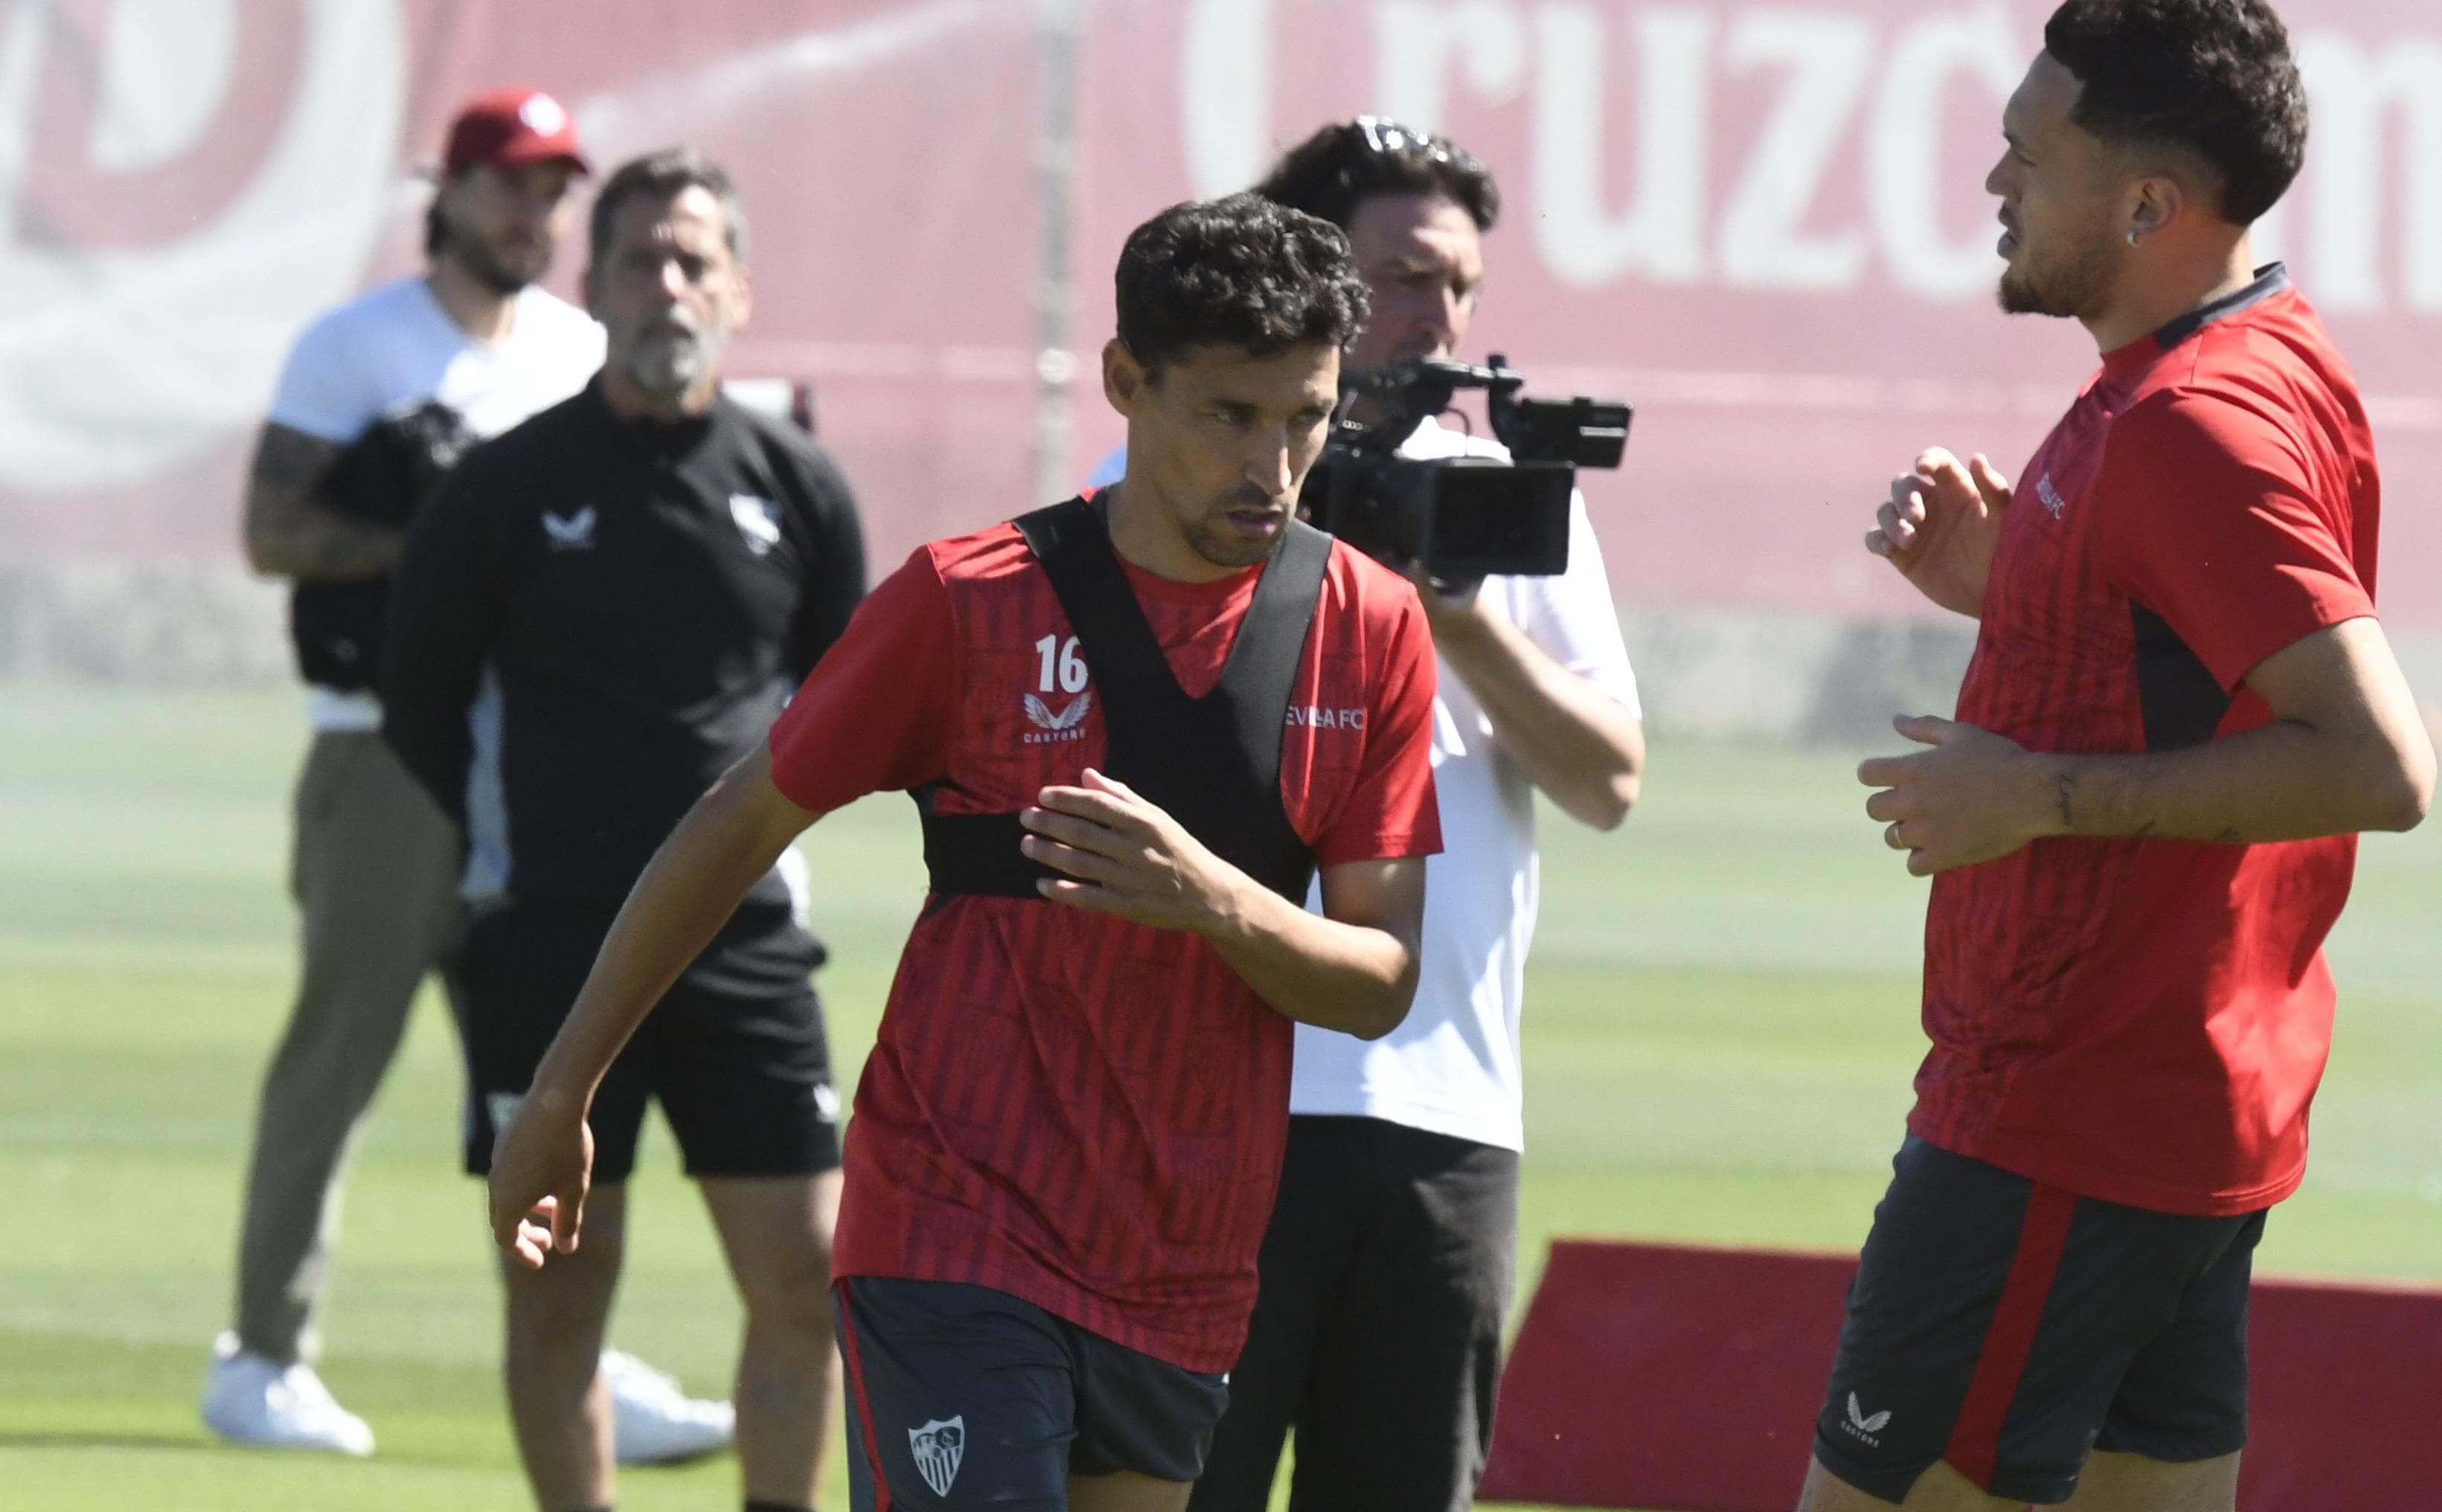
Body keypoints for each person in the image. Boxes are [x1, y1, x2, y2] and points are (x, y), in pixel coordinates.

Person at [487, 192, 1446, 1512]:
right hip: (953, 1226)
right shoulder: (970, 597)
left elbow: (1379, 980)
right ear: (1126, 382)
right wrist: (563, 1089)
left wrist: (1214, 902)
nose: (1271, 467)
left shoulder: (1371, 626)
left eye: (1307, 417)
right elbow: (736, 826)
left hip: (1184, 1263)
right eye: (1230, 415)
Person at [1816, 3, 2434, 1508]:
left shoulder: (2191, 421)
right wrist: (2009, 585)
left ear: (2149, 202)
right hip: (2180, 1114)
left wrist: (2034, 797)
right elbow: (2181, 658)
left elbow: (2378, 762)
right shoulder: (2255, 360)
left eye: (2029, 152)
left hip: (2063, 1118)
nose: (1992, 186)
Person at [1088, 118, 1644, 1512]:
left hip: (1441, 1104)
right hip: (1208, 1094)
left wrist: (1445, 612)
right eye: (1402, 277)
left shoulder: (1504, 508)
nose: (1437, 315)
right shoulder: (1165, 483)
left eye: (1458, 282)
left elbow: (1607, 782)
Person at [213, 86, 730, 1464]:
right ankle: (263, 1353)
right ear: (446, 195)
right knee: (344, 1048)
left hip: (541, 759)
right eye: (507, 183)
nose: (531, 211)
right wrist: (436, 531)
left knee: (559, 1062)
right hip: (381, 744)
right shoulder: (358, 347)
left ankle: (585, 1355)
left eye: (552, 187)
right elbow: (274, 531)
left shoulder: (578, 349)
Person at [380, 147, 868, 1512]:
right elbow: (421, 704)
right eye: (639, 259)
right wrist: (532, 852)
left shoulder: (800, 484)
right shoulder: (502, 486)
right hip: (548, 942)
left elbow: (847, 711)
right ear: (591, 287)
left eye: (692, 260)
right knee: (556, 1291)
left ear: (737, 290)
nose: (666, 285)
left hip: (749, 945)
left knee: (805, 1282)